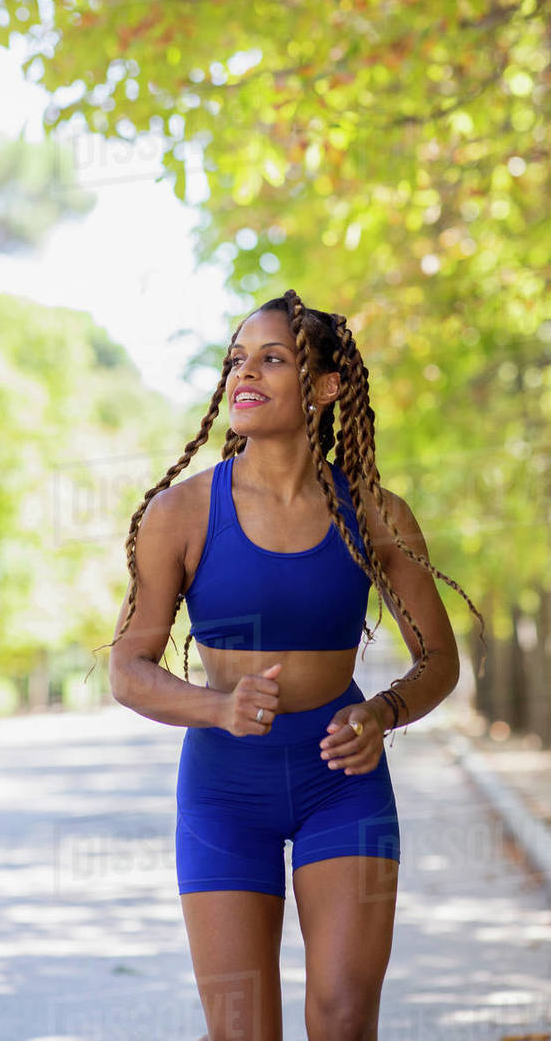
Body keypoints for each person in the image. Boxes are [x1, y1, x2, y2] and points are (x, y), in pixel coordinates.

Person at [102, 289, 486, 1041]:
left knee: (344, 1017)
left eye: (272, 358)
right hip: (224, 790)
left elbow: (439, 659)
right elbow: (128, 667)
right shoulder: (180, 514)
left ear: (327, 387)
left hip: (341, 784)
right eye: (237, 359)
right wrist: (216, 707)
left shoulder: (375, 511)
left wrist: (383, 712)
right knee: (242, 1028)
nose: (245, 373)